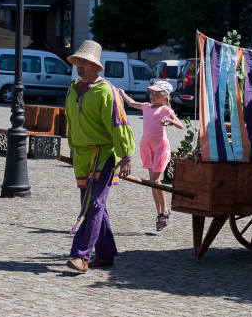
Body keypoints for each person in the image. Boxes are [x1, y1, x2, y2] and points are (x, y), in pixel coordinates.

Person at [63, 40, 136, 273]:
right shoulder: (73, 88)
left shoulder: (107, 92)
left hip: (103, 154)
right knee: (94, 205)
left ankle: (81, 256)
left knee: (93, 204)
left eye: (85, 62)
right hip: (82, 156)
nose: (80, 65)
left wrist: (125, 156)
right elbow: (71, 120)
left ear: (96, 66)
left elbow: (119, 124)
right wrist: (73, 147)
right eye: (78, 61)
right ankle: (105, 254)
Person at [120, 79, 183, 231]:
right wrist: (122, 93)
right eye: (152, 93)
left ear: (165, 97)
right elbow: (131, 103)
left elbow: (181, 125)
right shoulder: (146, 107)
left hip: (160, 146)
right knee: (152, 182)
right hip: (147, 146)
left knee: (155, 180)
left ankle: (165, 211)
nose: (152, 96)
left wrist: (170, 120)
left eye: (156, 94)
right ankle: (160, 212)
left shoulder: (166, 110)